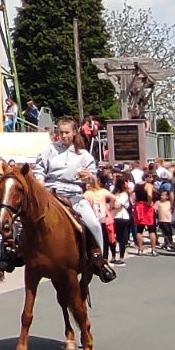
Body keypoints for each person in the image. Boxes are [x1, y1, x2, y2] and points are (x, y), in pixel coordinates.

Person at [31, 115, 115, 282]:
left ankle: (99, 259)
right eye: (61, 132)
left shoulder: (83, 155)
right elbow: (39, 169)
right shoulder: (49, 150)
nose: (63, 136)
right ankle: (18, 251)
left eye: (67, 132)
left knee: (93, 224)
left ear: (74, 132)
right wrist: (40, 181)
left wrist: (89, 177)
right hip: (51, 193)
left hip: (73, 195)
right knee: (28, 217)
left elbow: (91, 179)